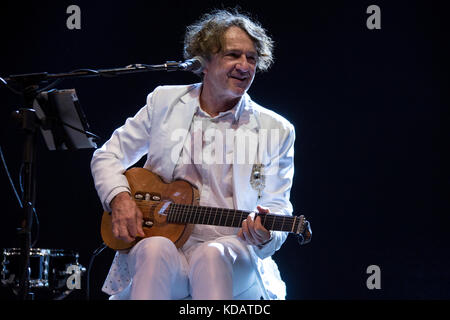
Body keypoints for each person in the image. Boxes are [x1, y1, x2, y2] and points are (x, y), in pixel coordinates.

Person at [91, 8, 297, 300]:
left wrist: (267, 234)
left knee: (212, 255)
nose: (245, 66)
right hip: (165, 241)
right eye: (233, 55)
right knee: (153, 249)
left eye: (251, 58)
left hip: (232, 250)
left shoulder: (276, 129)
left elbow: (278, 204)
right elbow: (107, 157)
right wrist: (120, 198)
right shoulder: (164, 102)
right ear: (204, 62)